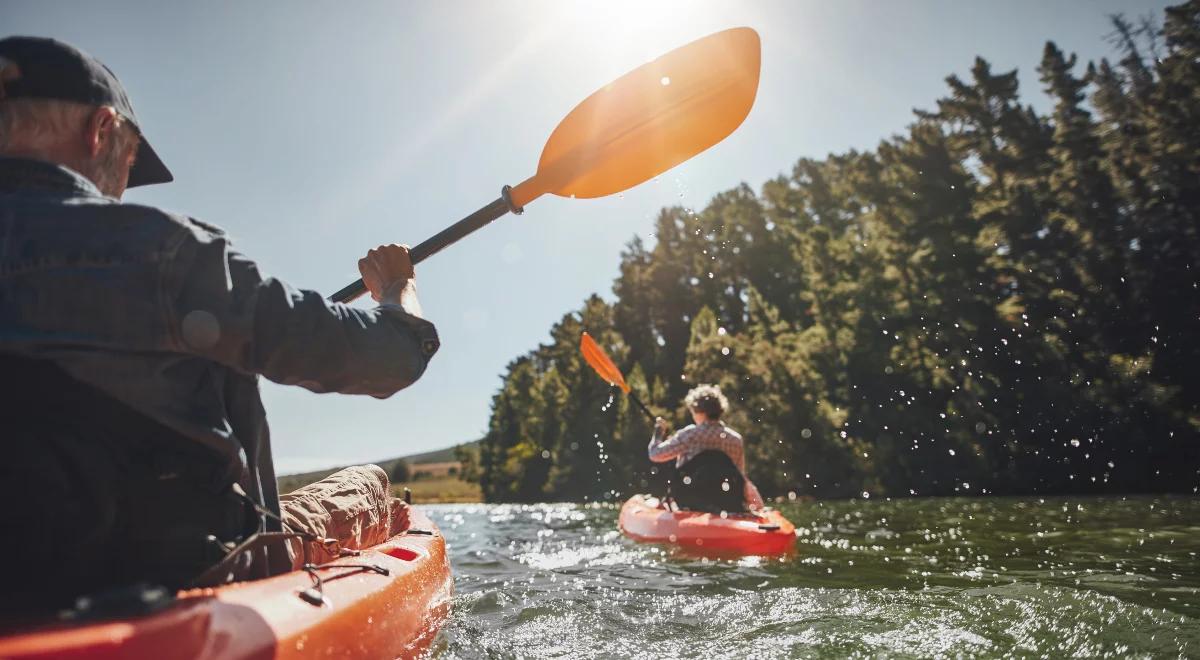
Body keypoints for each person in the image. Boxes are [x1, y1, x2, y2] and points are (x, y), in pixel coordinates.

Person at [0, 36, 440, 609]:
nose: (121, 185)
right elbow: (391, 360)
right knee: (371, 484)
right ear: (101, 131)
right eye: (128, 162)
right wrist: (397, 292)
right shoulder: (169, 254)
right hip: (196, 570)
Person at [648, 384, 765, 513]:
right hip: (726, 500)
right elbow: (740, 475)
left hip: (690, 500)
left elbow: (655, 454)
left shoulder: (690, 435)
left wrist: (658, 433)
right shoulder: (735, 439)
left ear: (699, 411)